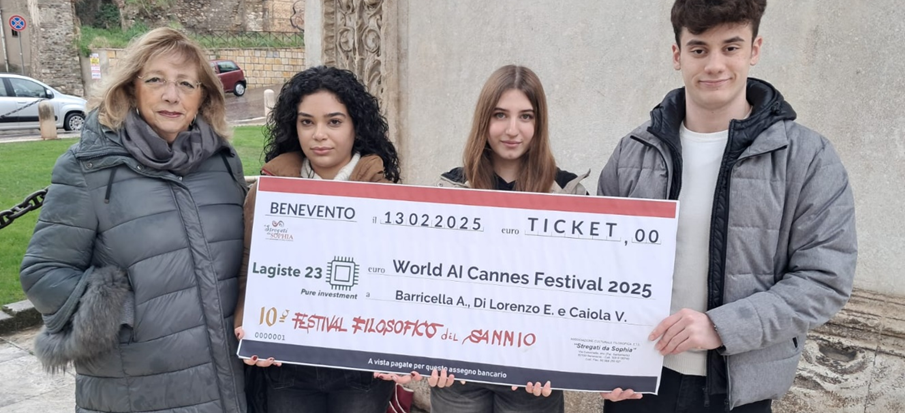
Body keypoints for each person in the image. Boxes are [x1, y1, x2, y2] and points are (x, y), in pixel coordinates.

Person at [597, 0, 857, 411]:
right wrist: (594, 359)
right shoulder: (633, 151)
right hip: (637, 384)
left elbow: (825, 279)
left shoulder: (808, 158)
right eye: (699, 49)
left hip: (735, 392)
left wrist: (721, 327)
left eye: (731, 47)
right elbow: (599, 268)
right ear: (677, 55)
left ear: (755, 50)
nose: (714, 65)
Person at [19, 27, 248, 412]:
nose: (171, 95)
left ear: (203, 97)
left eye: (186, 83)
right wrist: (118, 313)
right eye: (156, 80)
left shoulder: (222, 163)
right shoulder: (88, 167)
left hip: (229, 386)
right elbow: (43, 272)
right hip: (138, 388)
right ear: (130, 88)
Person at [233, 65, 401, 413]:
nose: (319, 134)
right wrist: (244, 321)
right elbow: (250, 266)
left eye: (334, 122)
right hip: (287, 364)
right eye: (307, 122)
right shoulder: (267, 194)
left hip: (361, 367)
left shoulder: (388, 199)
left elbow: (400, 281)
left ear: (356, 125)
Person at [428, 64, 588, 413]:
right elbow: (430, 282)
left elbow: (580, 289)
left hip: (534, 374)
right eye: (500, 115)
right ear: (483, 120)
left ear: (539, 123)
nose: (512, 129)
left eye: (525, 116)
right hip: (458, 373)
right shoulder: (449, 188)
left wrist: (561, 357)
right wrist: (427, 354)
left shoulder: (569, 193)